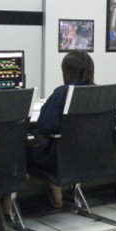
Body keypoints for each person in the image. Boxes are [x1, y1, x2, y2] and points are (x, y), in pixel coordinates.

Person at [27, 50, 95, 208]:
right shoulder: (98, 93)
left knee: (23, 152)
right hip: (92, 158)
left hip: (61, 160)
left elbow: (45, 125)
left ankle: (8, 207)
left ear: (67, 71)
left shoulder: (63, 92)